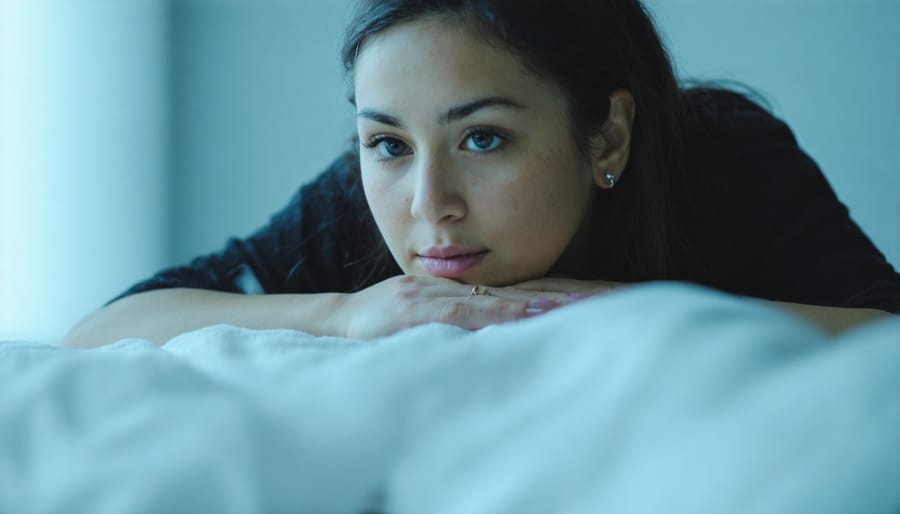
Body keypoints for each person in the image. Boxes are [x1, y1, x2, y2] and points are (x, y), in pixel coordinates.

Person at [63, 0, 900, 348]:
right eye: (386, 143)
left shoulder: (719, 154)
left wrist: (652, 315)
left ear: (607, 137)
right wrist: (341, 313)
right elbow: (101, 331)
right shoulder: (357, 201)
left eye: (485, 139)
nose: (430, 207)